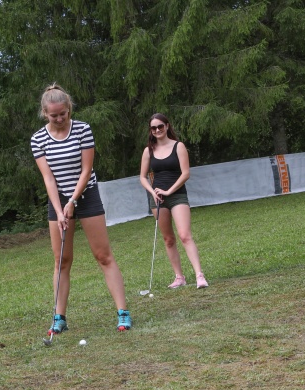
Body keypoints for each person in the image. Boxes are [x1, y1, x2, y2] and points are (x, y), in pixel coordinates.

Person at [30, 83, 131, 333]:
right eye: (54, 115)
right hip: (58, 199)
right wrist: (59, 208)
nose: (60, 118)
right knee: (61, 260)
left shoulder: (83, 129)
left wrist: (73, 202)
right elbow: (49, 179)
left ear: (69, 108)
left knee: (103, 255)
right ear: (45, 113)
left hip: (86, 196)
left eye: (63, 113)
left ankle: (123, 313)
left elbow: (86, 170)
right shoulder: (38, 139)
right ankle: (59, 318)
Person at [139, 113, 209, 289]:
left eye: (160, 126)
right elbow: (142, 177)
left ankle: (199, 275)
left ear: (167, 126)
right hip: (158, 199)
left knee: (185, 235)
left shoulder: (178, 146)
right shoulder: (149, 150)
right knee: (168, 239)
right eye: (153, 128)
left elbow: (186, 173)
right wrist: (153, 192)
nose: (157, 130)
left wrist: (169, 190)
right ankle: (179, 277)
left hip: (177, 195)